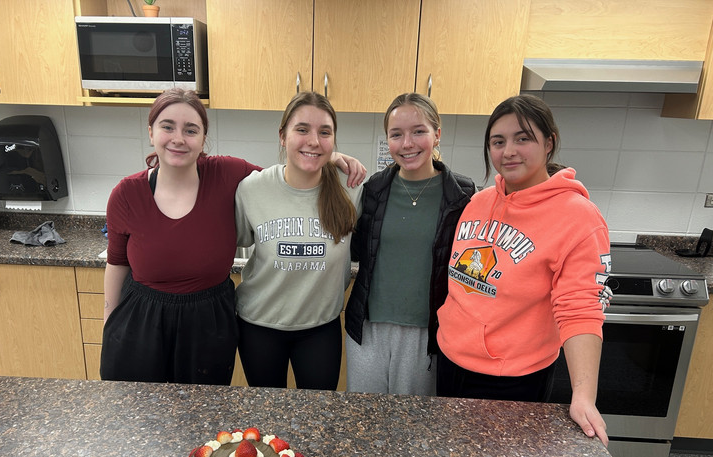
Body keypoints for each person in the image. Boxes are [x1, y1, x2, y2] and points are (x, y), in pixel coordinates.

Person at [101, 88, 365, 385]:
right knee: (143, 414)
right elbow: (117, 262)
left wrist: (328, 157)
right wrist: (110, 325)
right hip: (152, 321)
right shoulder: (127, 194)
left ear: (203, 139)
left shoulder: (228, 174)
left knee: (206, 417)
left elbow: (296, 174)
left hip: (215, 323)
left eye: (190, 129)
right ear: (151, 132)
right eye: (167, 127)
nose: (178, 138)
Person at [435, 94, 611, 445]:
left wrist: (583, 396)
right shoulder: (479, 202)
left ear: (549, 143)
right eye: (498, 141)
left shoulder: (578, 217)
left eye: (523, 138)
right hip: (451, 360)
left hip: (512, 378)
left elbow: (580, 310)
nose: (509, 151)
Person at [344, 93, 475, 395]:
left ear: (437, 134)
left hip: (426, 334)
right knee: (364, 425)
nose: (407, 144)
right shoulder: (374, 189)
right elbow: (355, 247)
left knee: (414, 431)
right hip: (367, 330)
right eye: (396, 134)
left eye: (419, 131)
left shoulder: (463, 195)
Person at [234, 91, 362, 391]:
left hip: (321, 328)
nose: (313, 140)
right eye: (302, 129)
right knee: (266, 422)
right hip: (258, 325)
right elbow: (235, 240)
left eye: (324, 132)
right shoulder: (252, 188)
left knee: (318, 420)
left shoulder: (352, 189)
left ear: (333, 141)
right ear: (283, 136)